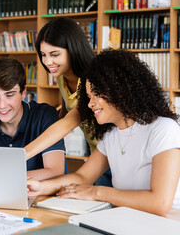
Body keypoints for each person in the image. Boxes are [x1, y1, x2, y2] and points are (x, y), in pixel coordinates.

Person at [27, 49, 180, 216]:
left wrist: (96, 192)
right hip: (129, 219)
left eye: (97, 94)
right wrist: (41, 187)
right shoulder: (111, 135)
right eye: (88, 96)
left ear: (121, 90)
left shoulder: (164, 129)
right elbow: (82, 177)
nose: (91, 104)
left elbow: (160, 203)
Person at [24, 16, 112, 186]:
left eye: (54, 54)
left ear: (72, 50)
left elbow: (68, 123)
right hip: (98, 156)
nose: (48, 62)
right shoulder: (61, 77)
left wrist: (21, 155)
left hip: (117, 156)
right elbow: (66, 108)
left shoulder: (93, 81)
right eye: (43, 55)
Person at [0, 57, 67, 181]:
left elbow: (56, 171)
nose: (2, 105)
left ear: (23, 93)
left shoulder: (44, 115)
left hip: (44, 198)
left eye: (9, 95)